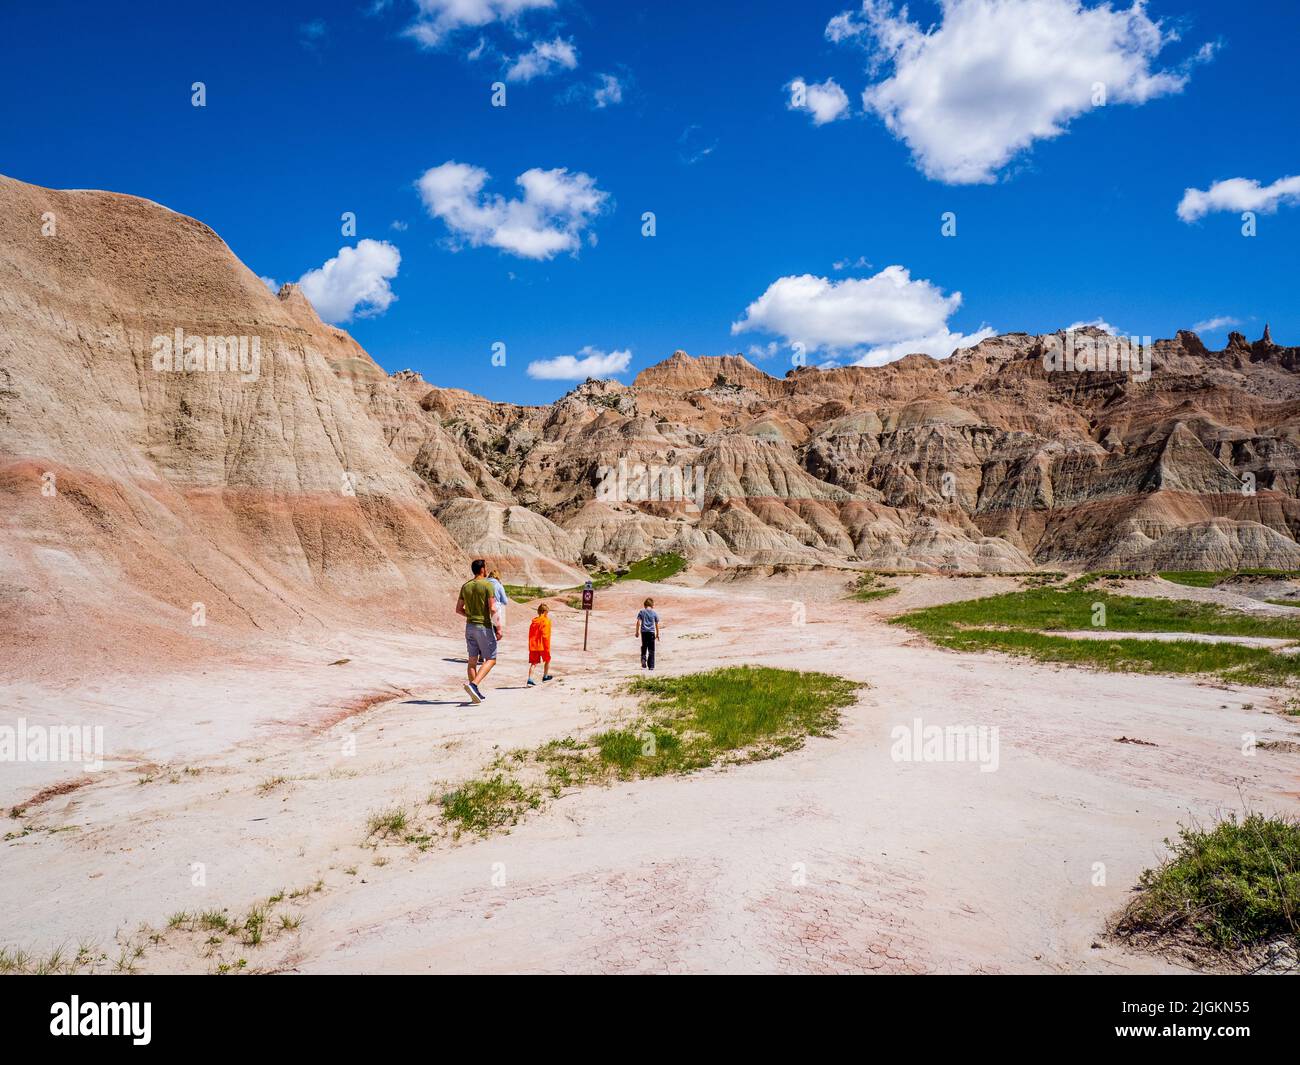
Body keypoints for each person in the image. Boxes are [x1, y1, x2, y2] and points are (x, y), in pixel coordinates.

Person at [455, 559, 502, 704]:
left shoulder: (466, 586)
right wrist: (499, 628)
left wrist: (470, 615)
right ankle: (473, 685)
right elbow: (493, 608)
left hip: (469, 627)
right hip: (483, 626)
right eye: (485, 567)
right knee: (491, 659)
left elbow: (458, 609)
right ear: (482, 569)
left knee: (472, 661)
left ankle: (474, 693)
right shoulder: (488, 585)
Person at [526, 603, 553, 686]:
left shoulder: (534, 622)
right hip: (543, 645)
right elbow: (546, 635)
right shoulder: (546, 621)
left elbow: (531, 634)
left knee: (534, 663)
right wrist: (547, 647)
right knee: (547, 659)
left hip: (534, 645)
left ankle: (530, 680)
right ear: (545, 612)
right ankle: (545, 676)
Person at [635, 597, 660, 670]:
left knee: (644, 646)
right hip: (651, 632)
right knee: (651, 649)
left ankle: (643, 659)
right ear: (652, 605)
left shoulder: (642, 612)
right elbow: (656, 624)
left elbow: (638, 622)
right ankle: (651, 665)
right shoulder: (654, 613)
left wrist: (637, 632)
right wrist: (657, 634)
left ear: (645, 605)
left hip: (644, 632)